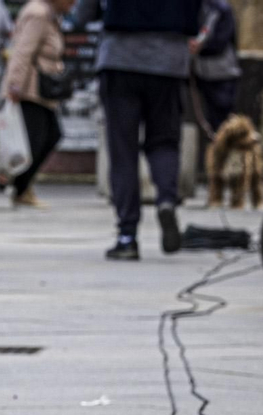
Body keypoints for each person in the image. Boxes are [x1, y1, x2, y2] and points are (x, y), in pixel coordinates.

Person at [80, 0, 200, 261]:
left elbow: (84, 10)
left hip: (120, 57)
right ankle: (166, 201)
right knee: (165, 141)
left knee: (123, 150)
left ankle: (127, 236)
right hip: (169, 60)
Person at [1, 0, 74, 209]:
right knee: (37, 140)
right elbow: (23, 51)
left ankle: (22, 187)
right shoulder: (38, 13)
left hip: (42, 92)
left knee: (49, 136)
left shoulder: (49, 14)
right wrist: (14, 86)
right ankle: (17, 185)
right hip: (29, 90)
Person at [191, 0, 240, 133]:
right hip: (203, 74)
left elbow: (220, 42)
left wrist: (199, 48)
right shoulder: (196, 7)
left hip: (224, 74)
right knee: (211, 123)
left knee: (225, 122)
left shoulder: (222, 9)